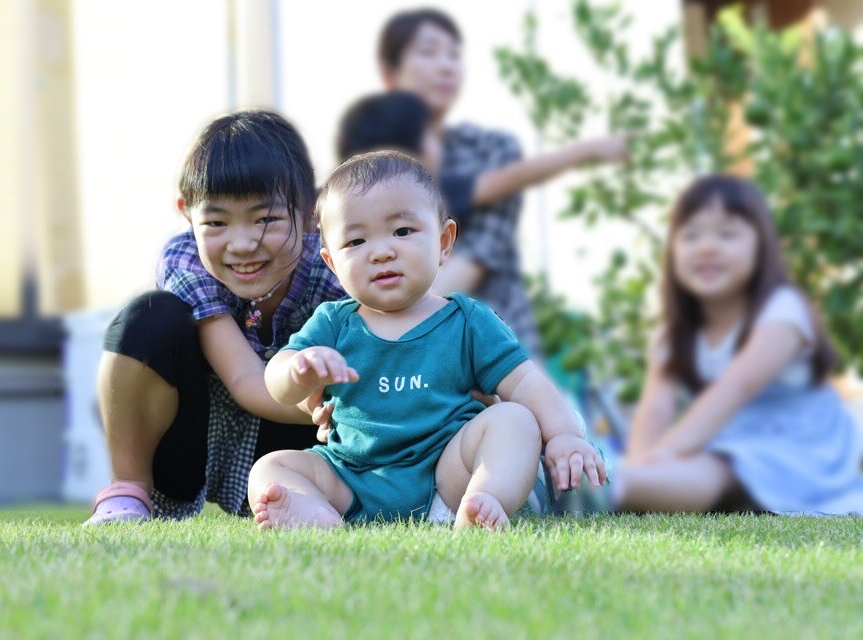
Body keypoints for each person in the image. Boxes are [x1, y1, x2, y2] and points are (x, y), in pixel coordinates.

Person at [248, 151, 606, 530]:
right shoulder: (332, 324)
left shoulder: (467, 320)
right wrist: (298, 370)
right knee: (271, 467)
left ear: (444, 241)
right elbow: (277, 384)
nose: (382, 251)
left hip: (446, 475)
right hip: (352, 475)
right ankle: (316, 514)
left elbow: (524, 382)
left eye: (402, 231)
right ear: (332, 262)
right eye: (356, 241)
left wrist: (565, 435)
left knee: (514, 419)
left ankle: (483, 500)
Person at [83, 110, 348, 526]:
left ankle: (333, 497)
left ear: (309, 211)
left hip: (301, 448)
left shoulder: (336, 265)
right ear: (187, 213)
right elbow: (245, 380)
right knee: (146, 318)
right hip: (199, 441)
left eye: (265, 219)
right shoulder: (187, 260)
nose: (242, 244)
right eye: (216, 222)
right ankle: (127, 492)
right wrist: (318, 401)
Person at [376, 8, 627, 356]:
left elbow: (479, 255)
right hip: (393, 354)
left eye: (454, 54)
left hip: (497, 350)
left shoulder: (490, 149)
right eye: (429, 52)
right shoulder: (369, 163)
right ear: (390, 74)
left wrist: (383, 333)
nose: (447, 66)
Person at [615, 175, 863, 514]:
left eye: (726, 234)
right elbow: (656, 407)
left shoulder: (781, 311)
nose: (706, 247)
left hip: (805, 446)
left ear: (761, 247)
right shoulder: (676, 332)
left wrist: (666, 455)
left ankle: (611, 488)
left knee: (719, 470)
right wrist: (641, 463)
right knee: (708, 466)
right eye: (690, 235)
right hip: (735, 438)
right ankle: (621, 488)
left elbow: (736, 388)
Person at [336, 90, 628, 234]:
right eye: (431, 134)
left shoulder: (334, 201)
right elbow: (517, 175)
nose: (441, 143)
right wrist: (591, 149)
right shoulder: (428, 190)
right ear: (406, 149)